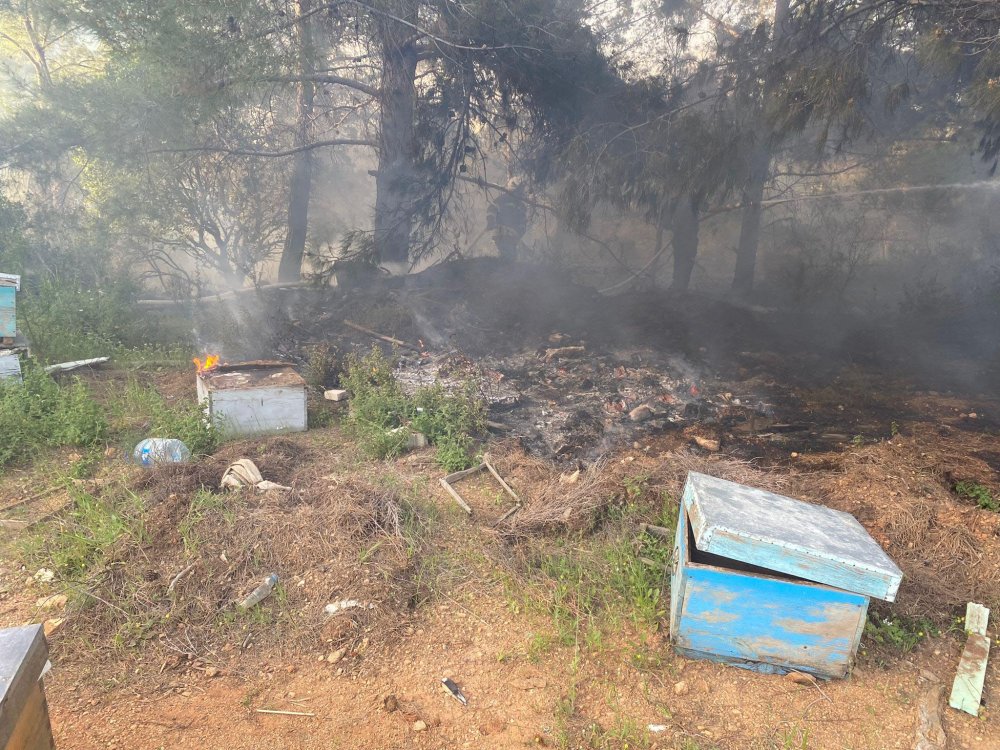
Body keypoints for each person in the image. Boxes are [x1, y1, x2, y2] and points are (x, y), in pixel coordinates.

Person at [486, 178, 527, 261]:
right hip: (501, 233)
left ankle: (503, 267)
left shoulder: (521, 206)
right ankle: (503, 266)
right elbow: (491, 210)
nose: (519, 194)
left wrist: (519, 233)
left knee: (511, 255)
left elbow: (523, 222)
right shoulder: (502, 199)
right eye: (518, 191)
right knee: (507, 254)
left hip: (512, 236)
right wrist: (491, 221)